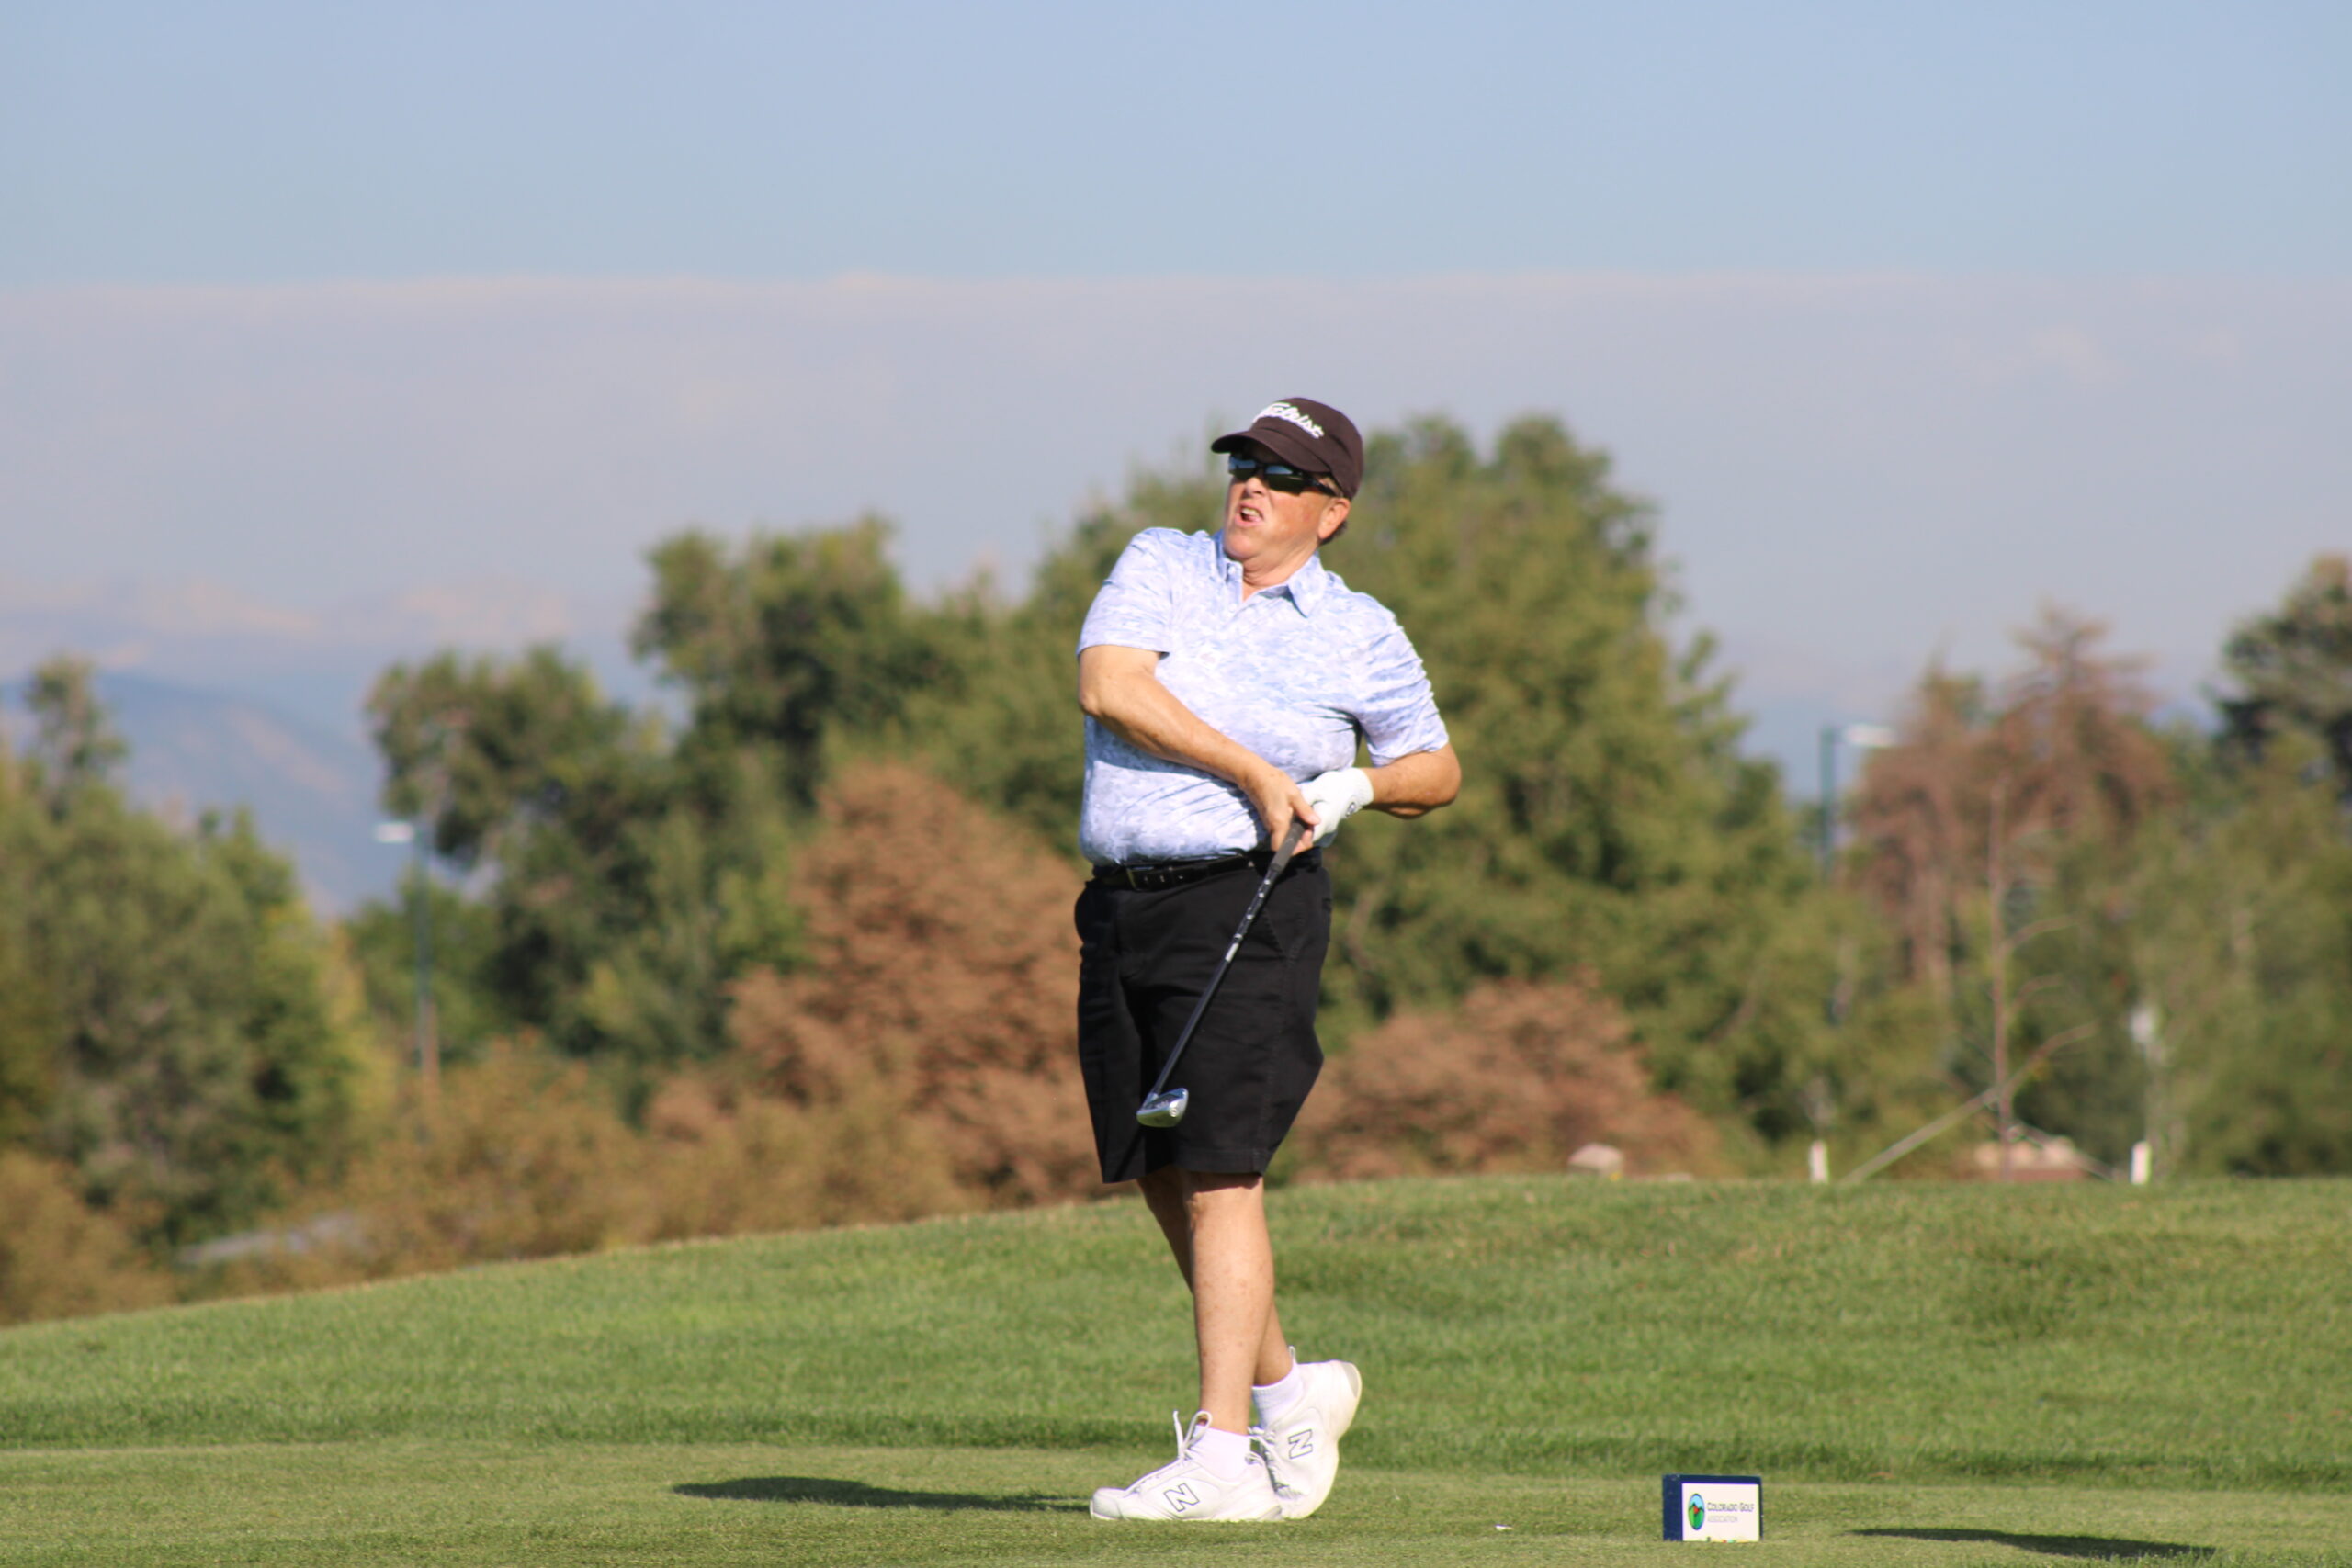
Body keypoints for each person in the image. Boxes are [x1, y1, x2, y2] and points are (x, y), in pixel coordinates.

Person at [1073, 397, 1461, 1521]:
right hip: (1123, 904)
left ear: (1330, 512)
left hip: (1250, 906)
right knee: (1155, 1165)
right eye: (1243, 464)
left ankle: (1225, 1458)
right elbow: (1110, 685)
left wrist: (1364, 784)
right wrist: (1254, 769)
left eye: (1283, 478)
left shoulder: (1359, 631)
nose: (1251, 486)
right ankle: (1291, 1391)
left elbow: (1435, 768)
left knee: (1224, 1169)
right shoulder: (1162, 563)